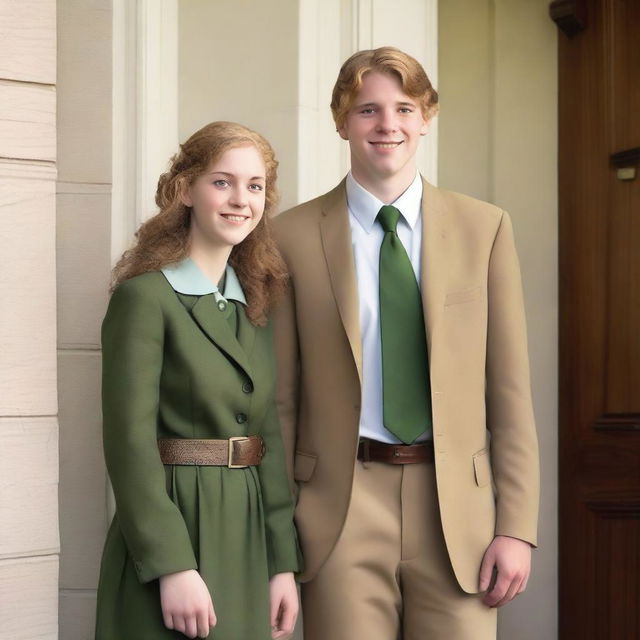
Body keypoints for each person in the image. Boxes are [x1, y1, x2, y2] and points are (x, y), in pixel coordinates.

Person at [272, 46, 539, 639]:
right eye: (367, 109)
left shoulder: (485, 228)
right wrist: (277, 540)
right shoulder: (286, 237)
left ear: (426, 117)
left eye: (403, 108)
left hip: (457, 515)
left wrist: (516, 526)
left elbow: (510, 394)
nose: (387, 124)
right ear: (341, 121)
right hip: (337, 510)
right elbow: (280, 403)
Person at [95, 121, 300, 640]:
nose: (240, 200)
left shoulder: (255, 305)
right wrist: (172, 566)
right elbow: (129, 443)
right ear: (185, 189)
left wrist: (282, 563)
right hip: (174, 526)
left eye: (255, 186)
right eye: (222, 182)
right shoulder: (144, 299)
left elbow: (267, 437)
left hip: (248, 531)